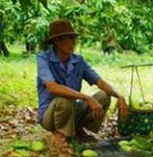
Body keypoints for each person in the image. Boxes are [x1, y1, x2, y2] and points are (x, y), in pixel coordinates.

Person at [36, 19, 128, 149]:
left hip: (73, 110)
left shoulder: (78, 61)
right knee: (64, 100)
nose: (73, 42)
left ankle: (79, 129)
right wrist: (86, 97)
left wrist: (119, 96)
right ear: (57, 41)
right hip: (51, 115)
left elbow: (99, 81)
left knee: (104, 96)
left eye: (74, 38)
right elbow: (52, 87)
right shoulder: (43, 59)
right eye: (69, 38)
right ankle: (59, 134)